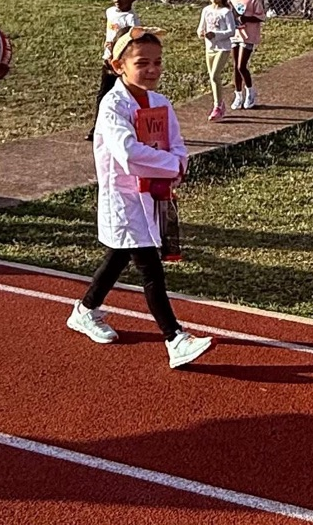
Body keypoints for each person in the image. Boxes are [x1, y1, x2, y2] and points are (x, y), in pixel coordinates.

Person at [66, 26, 214, 368]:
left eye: (158, 62)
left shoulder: (161, 103)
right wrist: (171, 164)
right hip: (124, 198)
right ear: (119, 66)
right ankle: (175, 338)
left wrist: (178, 164)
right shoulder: (113, 105)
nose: (152, 69)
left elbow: (176, 143)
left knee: (119, 255)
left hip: (153, 196)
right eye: (142, 62)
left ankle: (85, 310)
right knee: (149, 266)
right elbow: (127, 154)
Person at [85, 0, 140, 141]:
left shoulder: (132, 19)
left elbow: (132, 40)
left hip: (122, 64)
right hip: (108, 60)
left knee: (125, 96)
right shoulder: (110, 12)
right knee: (103, 95)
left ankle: (130, 128)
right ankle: (98, 128)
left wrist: (118, 46)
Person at [197, 0, 237, 122]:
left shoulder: (226, 12)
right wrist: (202, 33)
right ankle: (218, 103)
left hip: (223, 48)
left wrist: (216, 35)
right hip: (210, 48)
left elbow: (231, 31)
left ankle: (217, 106)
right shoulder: (206, 10)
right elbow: (200, 28)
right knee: (213, 78)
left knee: (215, 75)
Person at [229, 0, 266, 110]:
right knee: (235, 67)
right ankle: (238, 94)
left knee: (241, 65)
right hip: (235, 35)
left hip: (248, 36)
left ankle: (250, 91)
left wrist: (246, 19)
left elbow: (261, 17)